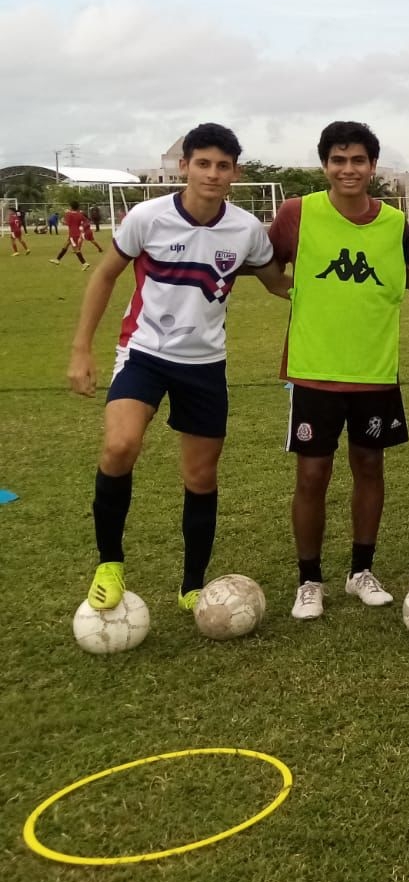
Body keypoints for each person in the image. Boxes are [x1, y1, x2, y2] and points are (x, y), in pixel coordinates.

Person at [69, 123, 287, 614]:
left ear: (236, 173)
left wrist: (336, 284)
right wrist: (81, 349)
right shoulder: (148, 217)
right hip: (144, 353)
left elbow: (276, 281)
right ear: (185, 166)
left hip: (205, 365)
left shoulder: (246, 229)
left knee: (200, 477)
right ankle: (110, 562)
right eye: (203, 163)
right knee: (120, 444)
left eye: (222, 165)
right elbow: (105, 276)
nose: (212, 173)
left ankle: (192, 586)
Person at [269, 122, 408, 621]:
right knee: (312, 473)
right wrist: (292, 291)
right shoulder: (297, 213)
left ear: (373, 166)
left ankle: (361, 571)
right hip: (313, 369)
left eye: (358, 161)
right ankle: (309, 580)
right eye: (338, 160)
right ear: (325, 164)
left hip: (374, 369)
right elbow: (268, 263)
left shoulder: (395, 223)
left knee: (370, 467)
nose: (348, 169)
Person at [52, 201, 91, 269]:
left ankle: (84, 263)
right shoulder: (80, 214)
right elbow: (87, 221)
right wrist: (82, 226)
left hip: (72, 234)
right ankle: (57, 260)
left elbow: (66, 223)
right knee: (66, 245)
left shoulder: (69, 214)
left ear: (71, 207)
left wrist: (62, 220)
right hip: (77, 233)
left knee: (75, 249)